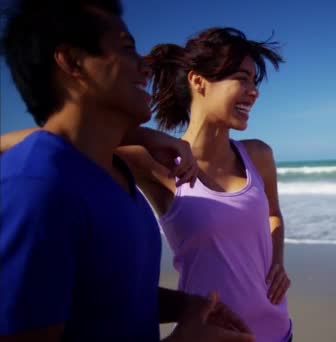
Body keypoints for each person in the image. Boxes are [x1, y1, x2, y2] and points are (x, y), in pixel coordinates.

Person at [1, 26, 292, 341]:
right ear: (198, 81)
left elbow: (273, 215)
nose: (254, 90)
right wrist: (142, 135)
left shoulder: (258, 155)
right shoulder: (154, 161)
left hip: (278, 329)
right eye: (242, 78)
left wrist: (277, 260)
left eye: (254, 80)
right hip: (208, 334)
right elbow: (47, 139)